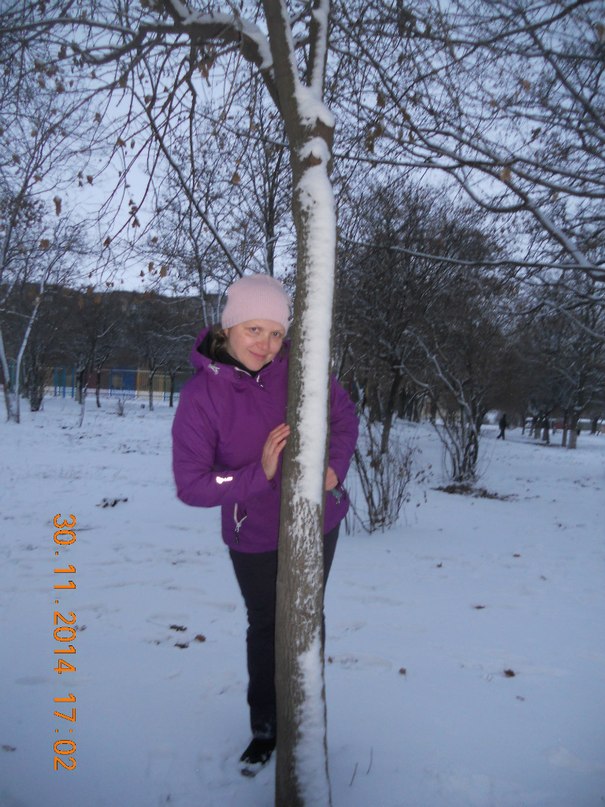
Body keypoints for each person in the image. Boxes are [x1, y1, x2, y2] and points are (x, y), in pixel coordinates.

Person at [171, 274, 358, 774]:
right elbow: (192, 484)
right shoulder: (200, 397)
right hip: (252, 534)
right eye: (254, 329)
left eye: (276, 333)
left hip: (318, 521)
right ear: (228, 328)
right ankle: (266, 725)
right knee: (268, 626)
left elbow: (344, 417)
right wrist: (258, 474)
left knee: (306, 617)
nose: (266, 344)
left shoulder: (300, 369)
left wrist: (335, 465)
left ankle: (305, 717)